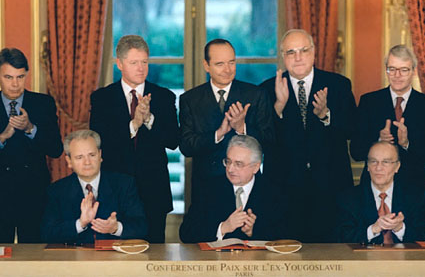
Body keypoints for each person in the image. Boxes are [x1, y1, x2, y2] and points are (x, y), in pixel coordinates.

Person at [260, 29, 357, 242]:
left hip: (331, 192)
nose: (298, 57)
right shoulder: (267, 90)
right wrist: (278, 107)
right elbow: (262, 141)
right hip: (284, 195)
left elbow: (353, 130)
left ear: (313, 52)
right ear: (283, 56)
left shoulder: (339, 85)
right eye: (291, 52)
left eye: (303, 50)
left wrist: (326, 115)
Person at [89, 35, 180, 243]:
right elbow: (99, 141)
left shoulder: (164, 97)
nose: (141, 68)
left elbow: (173, 141)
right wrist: (133, 125)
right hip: (115, 192)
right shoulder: (102, 98)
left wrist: (148, 119)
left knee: (154, 257)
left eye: (144, 62)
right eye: (134, 63)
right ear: (119, 64)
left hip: (154, 193)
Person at [0, 48, 63, 243]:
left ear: (26, 74)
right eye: (8, 77)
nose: (15, 84)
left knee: (37, 259)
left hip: (35, 196)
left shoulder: (43, 103)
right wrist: (1, 137)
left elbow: (56, 149)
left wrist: (30, 128)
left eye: (20, 77)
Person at [350, 44, 425, 212]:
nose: (397, 76)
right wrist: (378, 142)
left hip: (414, 193)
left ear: (414, 71)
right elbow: (356, 151)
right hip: (372, 192)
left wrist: (407, 143)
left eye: (404, 70)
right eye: (392, 69)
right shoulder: (369, 102)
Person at [179, 39, 274, 203]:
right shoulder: (190, 99)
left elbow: (269, 141)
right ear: (206, 66)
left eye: (232, 62)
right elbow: (186, 146)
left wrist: (242, 129)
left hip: (248, 186)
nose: (227, 70)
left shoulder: (255, 95)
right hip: (206, 187)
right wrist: (218, 134)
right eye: (220, 64)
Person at [41, 130, 147, 244]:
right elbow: (47, 233)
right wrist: (80, 224)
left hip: (115, 258)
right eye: (79, 157)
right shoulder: (57, 191)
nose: (87, 162)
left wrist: (116, 228)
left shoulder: (124, 184)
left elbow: (142, 227)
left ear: (100, 155)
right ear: (69, 161)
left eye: (92, 155)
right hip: (73, 258)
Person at [179, 135, 283, 243]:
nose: (230, 169)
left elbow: (289, 235)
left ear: (256, 167)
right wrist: (222, 228)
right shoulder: (209, 188)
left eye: (238, 164)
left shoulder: (274, 192)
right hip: (217, 259)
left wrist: (253, 231)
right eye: (228, 161)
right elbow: (186, 233)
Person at [337, 141, 425, 244]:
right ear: (367, 166)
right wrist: (373, 229)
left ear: (397, 166)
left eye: (386, 162)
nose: (378, 168)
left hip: (404, 259)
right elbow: (342, 239)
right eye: (373, 161)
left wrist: (400, 228)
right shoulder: (349, 198)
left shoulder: (416, 197)